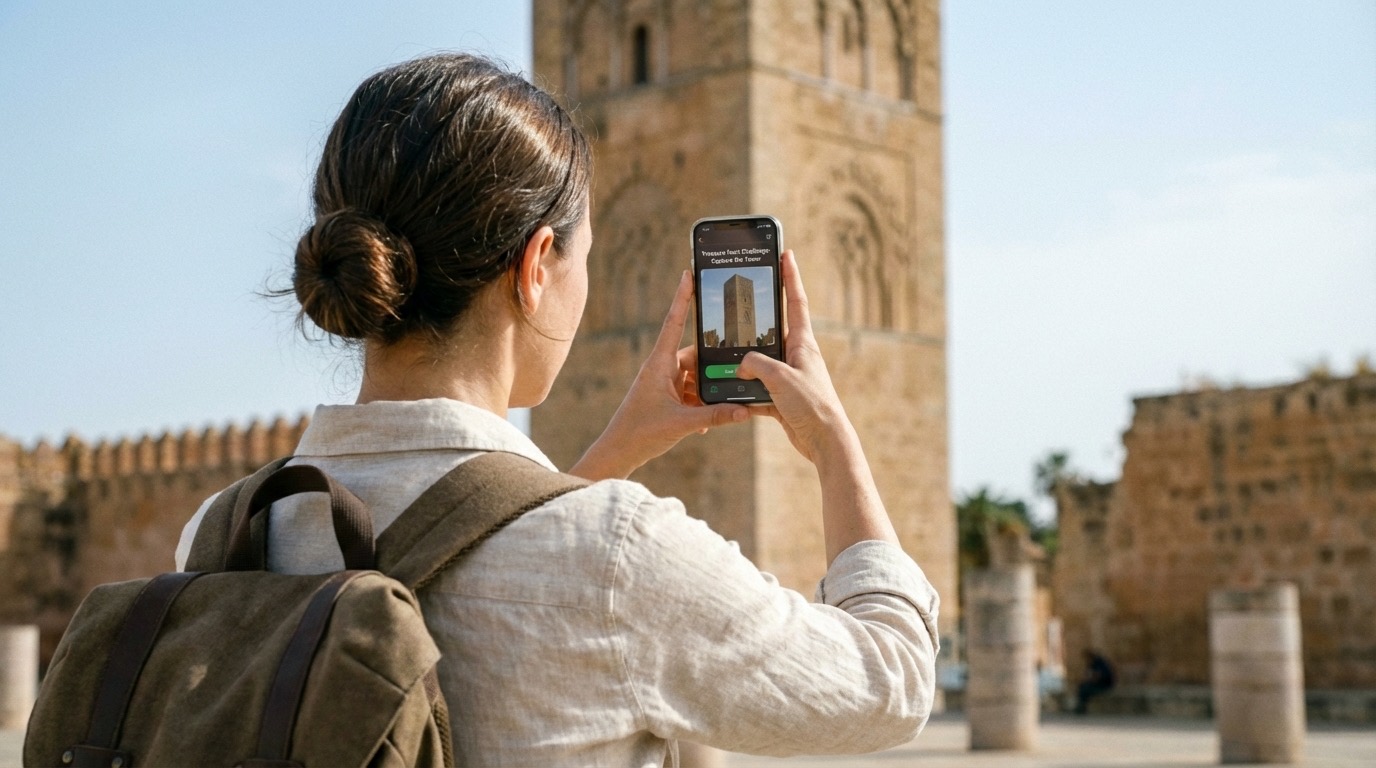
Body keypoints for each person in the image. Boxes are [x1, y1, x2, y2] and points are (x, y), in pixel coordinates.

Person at [175, 52, 939, 766]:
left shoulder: (222, 535)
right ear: (537, 265)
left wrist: (604, 460)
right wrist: (833, 438)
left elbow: (488, 556)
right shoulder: (620, 556)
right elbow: (892, 683)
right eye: (587, 257)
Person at [1074, 649, 1116, 714]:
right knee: (1082, 687)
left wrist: (1094, 677)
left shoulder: (1100, 664)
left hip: (1104, 685)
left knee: (1085, 689)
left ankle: (1082, 706)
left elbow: (1101, 676)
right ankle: (1081, 705)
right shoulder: (1092, 664)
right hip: (1096, 684)